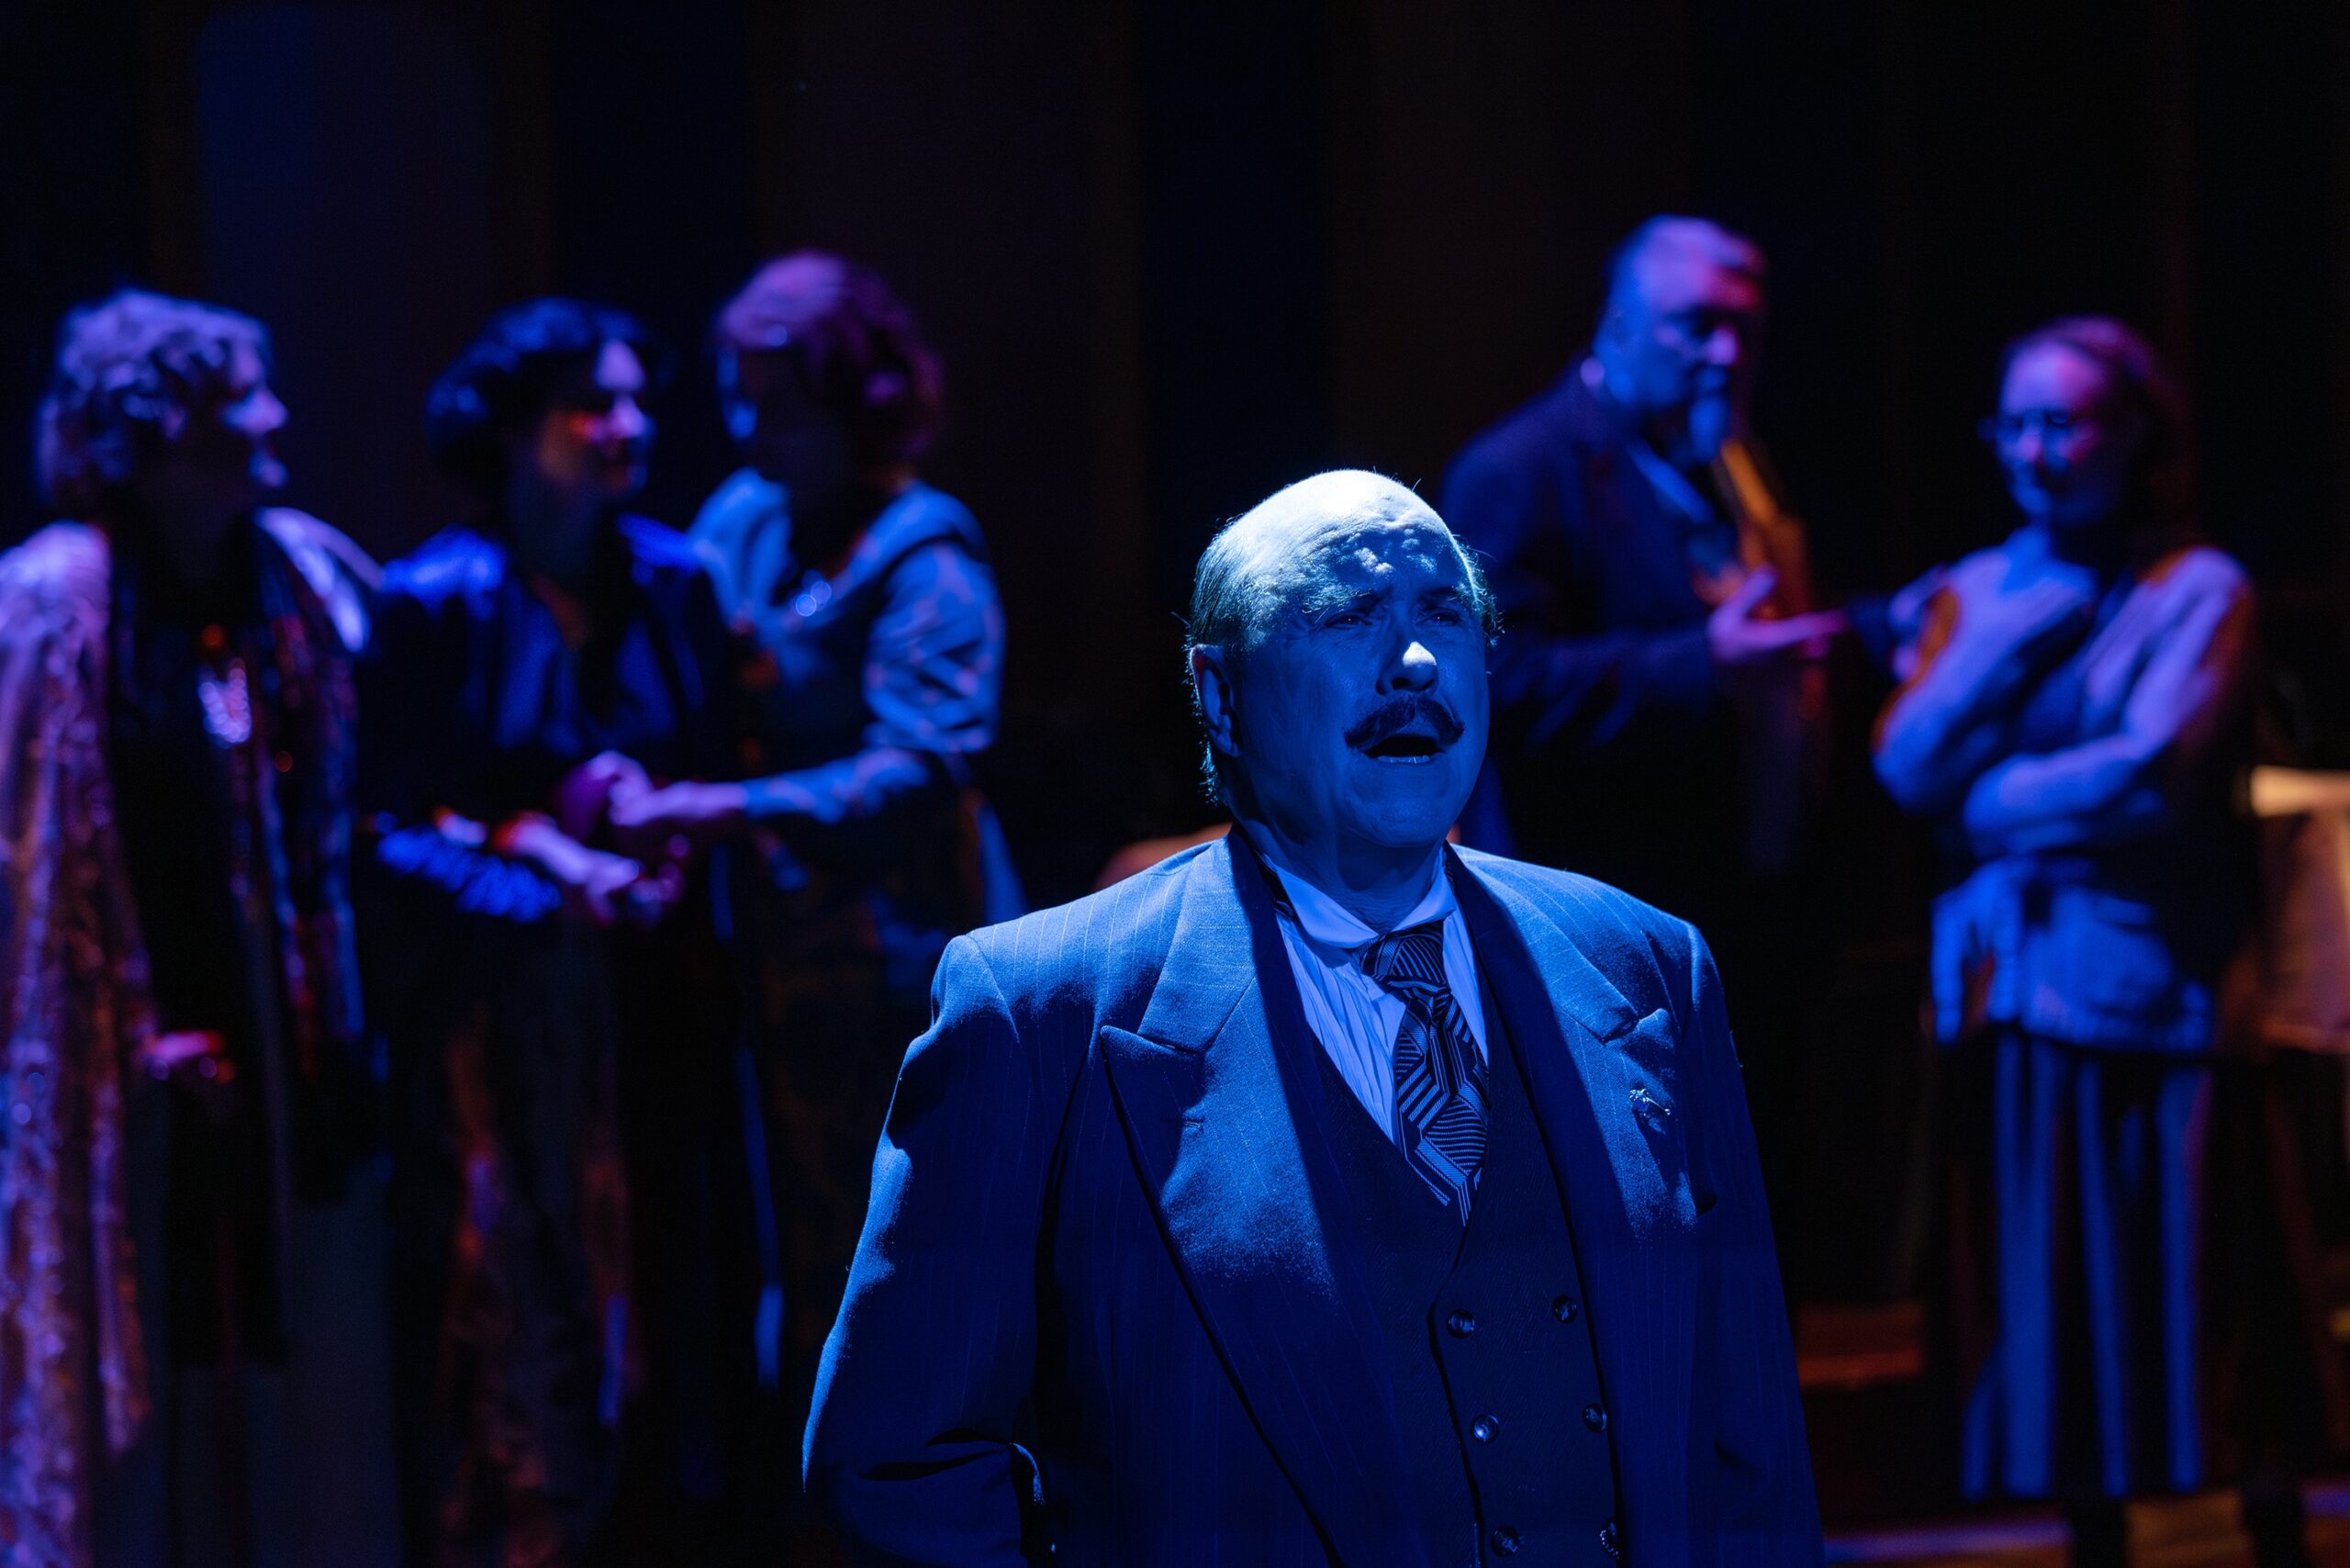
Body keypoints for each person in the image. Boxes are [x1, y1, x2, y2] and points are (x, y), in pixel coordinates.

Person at [805, 469, 1818, 1563]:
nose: (1415, 661)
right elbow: (895, 1465)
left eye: (1445, 613)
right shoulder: (1042, 1012)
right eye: (1348, 615)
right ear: (1220, 694)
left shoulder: (1649, 966)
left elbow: (1749, 1450)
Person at [1874, 318, 2337, 1566]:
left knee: (2200, 1282)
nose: (2034, 451)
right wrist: (1998, 644)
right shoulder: (1981, 587)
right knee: (2056, 1291)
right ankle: (2095, 1537)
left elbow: (2153, 772)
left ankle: (2269, 1521)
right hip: (2012, 988)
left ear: (2136, 435)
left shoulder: (2198, 589)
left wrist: (1987, 803)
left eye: (2064, 423)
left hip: (2153, 987)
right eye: (2015, 423)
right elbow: (1904, 763)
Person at [608, 252, 1018, 1545]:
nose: (749, 428)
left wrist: (717, 807)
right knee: (787, 1259)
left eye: (778, 402)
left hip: (892, 967)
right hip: (768, 970)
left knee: (892, 1257)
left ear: (858, 401)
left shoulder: (924, 550)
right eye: (737, 397)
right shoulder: (741, 519)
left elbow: (923, 765)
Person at [0, 289, 394, 1567]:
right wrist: (126, 1032)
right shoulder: (51, 606)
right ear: (152, 434)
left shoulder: (303, 579)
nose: (272, 419)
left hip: (293, 1056)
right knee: (145, 1364)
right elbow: (30, 865)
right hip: (120, 1075)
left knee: (302, 1377)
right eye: (235, 403)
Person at [362, 299, 744, 1564]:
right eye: (591, 405)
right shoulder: (433, 602)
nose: (626, 426)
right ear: (513, 430)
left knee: (678, 1313)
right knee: (513, 1333)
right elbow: (384, 831)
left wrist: (663, 854)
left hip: (658, 1015)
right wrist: (548, 882)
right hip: (499, 1040)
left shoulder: (677, 582)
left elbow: (709, 773)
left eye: (635, 400)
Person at [1439, 217, 1847, 1281]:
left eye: (1745, 330)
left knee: (1743, 1239)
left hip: (1735, 911)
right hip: (1595, 928)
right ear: (1617, 325)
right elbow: (1493, 685)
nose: (1727, 353)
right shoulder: (1520, 470)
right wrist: (1700, 662)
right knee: (1619, 1245)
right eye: (1696, 325)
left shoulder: (1725, 466)